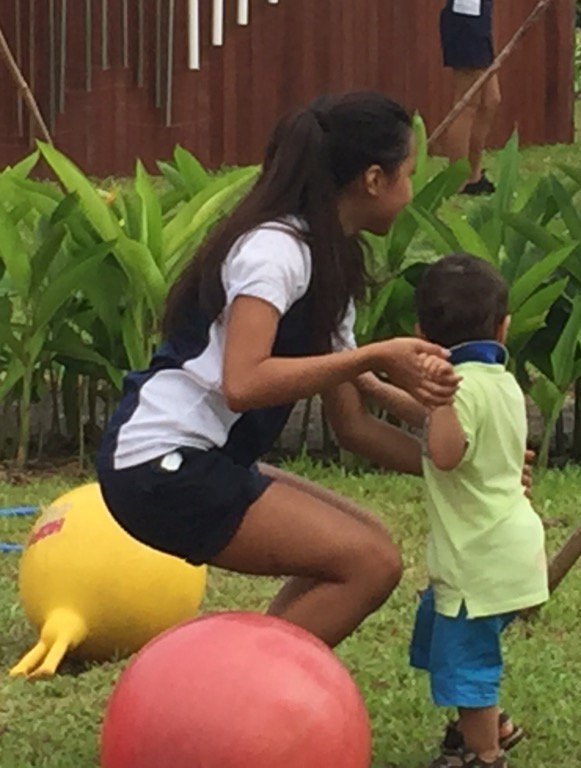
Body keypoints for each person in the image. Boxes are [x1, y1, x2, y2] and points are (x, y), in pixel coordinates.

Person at [96, 92, 464, 649]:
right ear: (372, 179)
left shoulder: (331, 261)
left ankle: (241, 687)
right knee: (370, 563)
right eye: (408, 175)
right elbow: (243, 383)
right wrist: (370, 357)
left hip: (209, 460)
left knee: (368, 542)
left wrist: (465, 467)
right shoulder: (275, 251)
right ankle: (235, 701)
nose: (410, 191)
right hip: (163, 465)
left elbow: (355, 427)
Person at [408, 254, 549, 768]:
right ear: (504, 328)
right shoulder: (502, 383)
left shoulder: (457, 391)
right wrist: (365, 380)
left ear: (421, 331)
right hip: (506, 549)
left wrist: (442, 396)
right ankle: (484, 726)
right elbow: (439, 424)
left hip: (478, 562)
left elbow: (445, 452)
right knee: (443, 640)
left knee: (469, 665)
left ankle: (485, 753)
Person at [439, 0, 501, 195]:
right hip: (466, 18)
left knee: (490, 100)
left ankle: (473, 175)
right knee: (467, 102)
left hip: (478, 18)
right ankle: (457, 180)